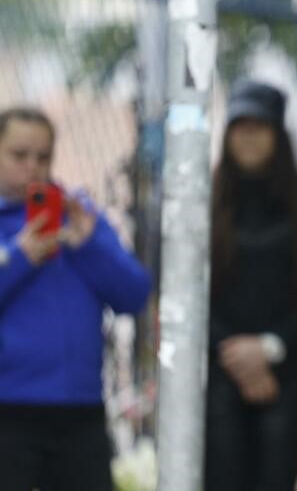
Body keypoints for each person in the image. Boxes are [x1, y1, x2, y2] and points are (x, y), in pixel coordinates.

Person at [0, 106, 151, 491]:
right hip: (9, 408)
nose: (33, 167)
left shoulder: (79, 217)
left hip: (79, 409)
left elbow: (134, 295)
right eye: (19, 155)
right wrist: (18, 257)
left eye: (43, 157)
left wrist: (89, 243)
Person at [205, 80, 297, 491]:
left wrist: (269, 347)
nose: (248, 137)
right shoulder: (204, 207)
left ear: (278, 135)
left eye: (258, 127)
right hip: (218, 376)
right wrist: (238, 358)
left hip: (288, 376)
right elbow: (188, 296)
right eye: (239, 126)